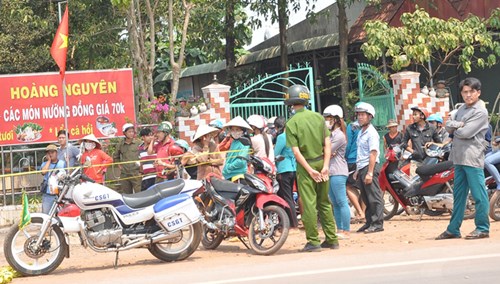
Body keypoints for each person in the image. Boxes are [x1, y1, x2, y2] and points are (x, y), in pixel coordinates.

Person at [284, 84, 338, 252]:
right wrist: (326, 166)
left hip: (306, 166)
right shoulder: (319, 118)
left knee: (308, 204)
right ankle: (332, 239)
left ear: (291, 102)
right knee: (324, 203)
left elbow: (296, 152)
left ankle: (313, 241)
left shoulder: (291, 123)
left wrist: (309, 170)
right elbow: (327, 143)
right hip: (322, 162)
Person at [436, 77, 490, 240]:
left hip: (472, 157)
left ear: (478, 92)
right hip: (459, 157)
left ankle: (482, 228)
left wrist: (455, 127)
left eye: (471, 92)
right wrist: (457, 125)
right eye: (464, 92)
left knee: (479, 194)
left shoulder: (480, 111)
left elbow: (465, 133)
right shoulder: (462, 110)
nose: (468, 95)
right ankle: (453, 229)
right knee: (458, 195)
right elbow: (447, 126)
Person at [353, 102, 384, 234]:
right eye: (358, 115)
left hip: (369, 167)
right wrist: (357, 170)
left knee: (374, 197)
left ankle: (377, 223)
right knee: (365, 197)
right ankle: (369, 221)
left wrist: (370, 173)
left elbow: (373, 153)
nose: (360, 117)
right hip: (362, 167)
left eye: (363, 115)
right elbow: (361, 153)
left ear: (370, 116)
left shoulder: (371, 133)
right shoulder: (361, 132)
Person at [323, 105, 351, 239]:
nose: (326, 121)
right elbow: (328, 151)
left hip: (338, 171)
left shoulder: (339, 135)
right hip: (331, 171)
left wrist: (327, 151)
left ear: (335, 120)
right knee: (335, 202)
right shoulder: (331, 135)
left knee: (341, 201)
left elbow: (325, 150)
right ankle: (339, 229)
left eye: (328, 118)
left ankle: (346, 229)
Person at [274, 116, 299, 228]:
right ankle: (288, 222)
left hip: (283, 169)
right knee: (288, 197)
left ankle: (292, 224)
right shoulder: (293, 137)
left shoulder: (281, 137)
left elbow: (275, 154)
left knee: (286, 197)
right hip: (292, 168)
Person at [345, 115, 365, 222]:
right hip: (364, 161)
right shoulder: (368, 127)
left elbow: (348, 144)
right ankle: (363, 213)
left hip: (352, 160)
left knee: (349, 186)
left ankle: (360, 212)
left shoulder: (352, 126)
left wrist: (345, 156)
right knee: (364, 188)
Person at [221, 116, 251, 182]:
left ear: (242, 131)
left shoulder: (244, 142)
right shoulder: (234, 142)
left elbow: (241, 161)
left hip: (238, 175)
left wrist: (228, 167)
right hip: (230, 174)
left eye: (237, 130)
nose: (235, 132)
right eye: (233, 130)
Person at [113, 123, 141, 194]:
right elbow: (116, 156)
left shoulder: (138, 143)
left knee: (139, 192)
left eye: (132, 132)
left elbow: (143, 154)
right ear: (124, 133)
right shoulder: (120, 144)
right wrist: (120, 166)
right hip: (125, 173)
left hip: (136, 172)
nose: (131, 133)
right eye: (129, 132)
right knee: (127, 194)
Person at [40, 144, 66, 213]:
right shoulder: (44, 164)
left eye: (52, 152)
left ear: (56, 153)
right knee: (46, 214)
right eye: (49, 153)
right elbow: (43, 172)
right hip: (47, 195)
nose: (51, 154)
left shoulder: (62, 163)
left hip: (59, 194)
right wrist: (49, 161)